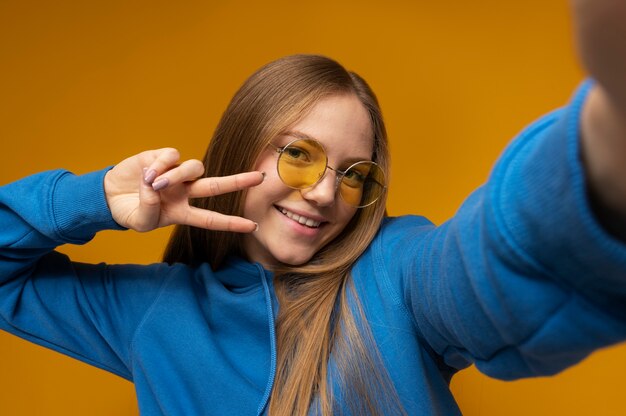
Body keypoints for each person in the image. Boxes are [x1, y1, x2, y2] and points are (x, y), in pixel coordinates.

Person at [1, 1, 626, 414]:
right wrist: (98, 198)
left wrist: (602, 137)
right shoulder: (152, 313)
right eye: (299, 155)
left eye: (355, 175)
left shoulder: (396, 276)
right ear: (241, 149)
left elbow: (483, 270)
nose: (327, 194)